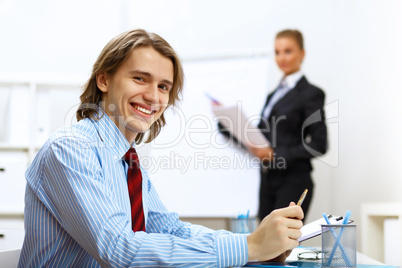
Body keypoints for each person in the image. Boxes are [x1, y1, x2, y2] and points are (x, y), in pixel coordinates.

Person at [18, 29, 304, 267]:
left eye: (164, 86)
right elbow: (120, 250)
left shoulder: (127, 161)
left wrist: (253, 243)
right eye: (140, 78)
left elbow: (170, 229)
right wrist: (250, 248)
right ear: (104, 80)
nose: (153, 96)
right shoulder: (70, 149)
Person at [246, 29, 327, 221]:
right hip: (267, 181)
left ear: (302, 53)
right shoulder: (273, 96)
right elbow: (263, 134)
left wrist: (276, 154)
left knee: (283, 245)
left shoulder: (310, 94)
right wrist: (227, 123)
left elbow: (319, 144)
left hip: (293, 181)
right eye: (277, 52)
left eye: (288, 51)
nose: (281, 57)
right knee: (265, 244)